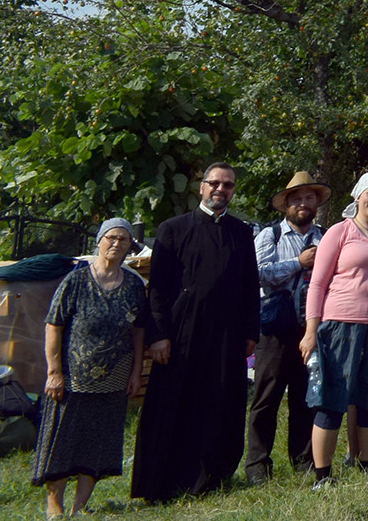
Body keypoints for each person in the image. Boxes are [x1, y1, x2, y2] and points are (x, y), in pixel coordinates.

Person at [131, 162, 260, 502]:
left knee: (220, 403)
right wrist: (158, 335)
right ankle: (163, 482)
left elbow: (250, 286)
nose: (221, 189)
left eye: (228, 185)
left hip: (227, 335)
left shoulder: (242, 233)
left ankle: (213, 478)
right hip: (180, 334)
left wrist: (251, 332)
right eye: (214, 183)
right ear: (201, 187)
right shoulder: (172, 229)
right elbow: (157, 288)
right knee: (174, 404)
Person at [303, 171, 368, 484]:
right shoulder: (339, 232)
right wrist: (311, 330)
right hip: (340, 326)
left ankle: (367, 468)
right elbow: (318, 283)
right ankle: (324, 476)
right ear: (359, 195)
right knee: (332, 399)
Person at [33, 219, 144, 517]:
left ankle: (80, 506)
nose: (117, 244)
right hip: (73, 377)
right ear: (99, 240)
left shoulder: (134, 285)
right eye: (111, 237)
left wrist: (135, 373)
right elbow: (53, 326)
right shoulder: (76, 281)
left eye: (123, 239)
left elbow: (138, 332)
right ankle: (54, 503)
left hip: (114, 377)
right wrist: (54, 371)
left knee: (99, 440)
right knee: (62, 438)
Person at [244, 170, 327, 484]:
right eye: (297, 199)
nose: (303, 204)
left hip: (311, 330)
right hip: (275, 330)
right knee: (266, 398)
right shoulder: (270, 235)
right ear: (286, 205)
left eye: (309, 198)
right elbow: (259, 274)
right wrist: (299, 263)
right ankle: (257, 467)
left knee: (305, 399)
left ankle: (304, 461)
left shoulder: (326, 236)